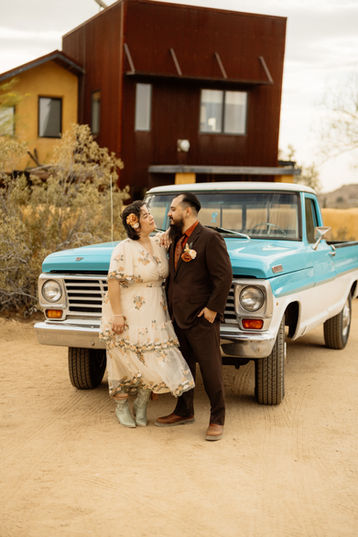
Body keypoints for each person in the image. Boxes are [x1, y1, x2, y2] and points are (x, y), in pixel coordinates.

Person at [99, 200, 195, 428]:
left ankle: (142, 403)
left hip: (155, 309)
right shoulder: (123, 248)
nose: (151, 217)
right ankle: (122, 405)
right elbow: (113, 281)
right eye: (145, 215)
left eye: (150, 213)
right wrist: (117, 315)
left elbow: (180, 229)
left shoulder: (160, 242)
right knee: (123, 356)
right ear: (134, 223)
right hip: (128, 307)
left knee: (150, 356)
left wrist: (169, 234)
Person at [155, 193, 232, 441]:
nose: (169, 213)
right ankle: (184, 410)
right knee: (183, 368)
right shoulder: (175, 238)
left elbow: (223, 277)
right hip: (178, 316)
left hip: (201, 317)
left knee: (211, 370)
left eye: (173, 209)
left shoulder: (210, 238)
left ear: (187, 211)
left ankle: (217, 418)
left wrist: (212, 310)